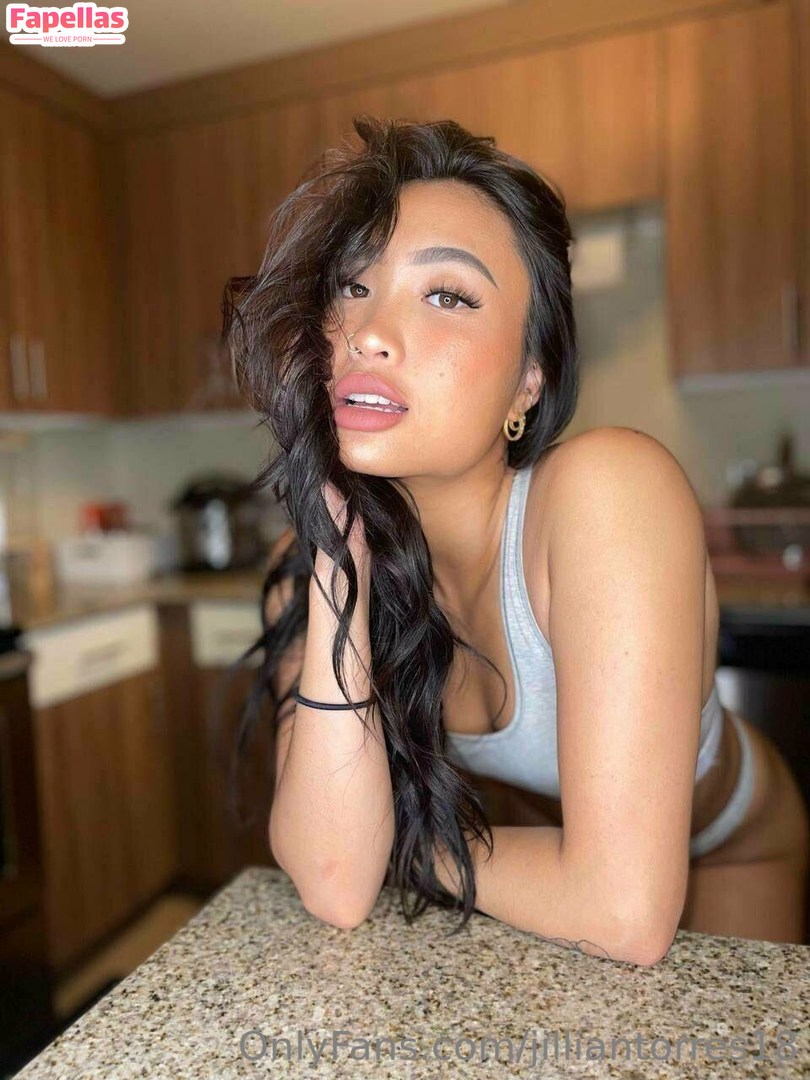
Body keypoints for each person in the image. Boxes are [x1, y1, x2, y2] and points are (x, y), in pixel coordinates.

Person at [222, 116, 809, 967]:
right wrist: (335, 557)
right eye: (352, 287)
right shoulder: (311, 566)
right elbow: (337, 881)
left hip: (730, 848)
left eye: (447, 295)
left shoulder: (609, 492)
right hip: (540, 852)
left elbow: (621, 911)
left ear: (528, 381)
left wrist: (403, 840)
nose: (368, 332)